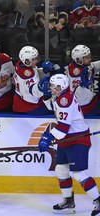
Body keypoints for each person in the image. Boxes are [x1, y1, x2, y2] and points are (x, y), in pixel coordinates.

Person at [38, 73, 100, 216]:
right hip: (67, 139)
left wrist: (47, 137)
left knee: (78, 173)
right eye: (52, 86)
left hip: (78, 139)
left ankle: (98, 199)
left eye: (54, 86)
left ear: (62, 87)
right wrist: (47, 95)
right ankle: (68, 201)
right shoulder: (59, 96)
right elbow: (51, 106)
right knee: (61, 170)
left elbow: (64, 127)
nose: (52, 88)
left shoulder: (65, 99)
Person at [13, 45, 52, 115]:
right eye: (34, 59)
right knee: (54, 107)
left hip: (22, 99)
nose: (36, 60)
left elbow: (35, 74)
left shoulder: (21, 64)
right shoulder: (26, 74)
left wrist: (45, 71)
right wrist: (43, 88)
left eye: (36, 58)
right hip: (29, 105)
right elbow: (34, 92)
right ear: (27, 61)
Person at [65, 44, 100, 115]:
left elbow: (93, 66)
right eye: (87, 58)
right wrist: (82, 86)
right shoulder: (75, 72)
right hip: (84, 107)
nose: (90, 59)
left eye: (89, 56)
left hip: (90, 99)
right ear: (79, 60)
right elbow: (79, 97)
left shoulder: (84, 66)